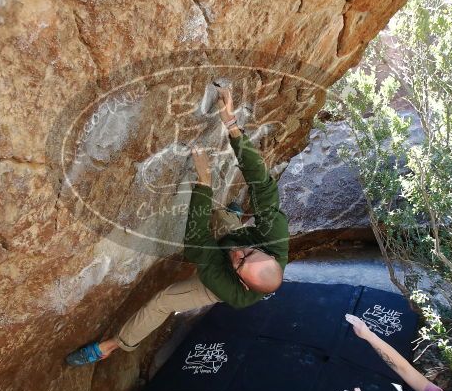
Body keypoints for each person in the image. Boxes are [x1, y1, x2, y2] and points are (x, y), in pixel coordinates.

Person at [66, 86, 289, 365]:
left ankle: (112, 346)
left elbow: (197, 244)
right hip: (239, 236)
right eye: (249, 253)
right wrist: (231, 124)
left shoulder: (231, 290)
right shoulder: (274, 237)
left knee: (164, 301)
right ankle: (230, 218)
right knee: (226, 222)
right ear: (266, 252)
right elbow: (262, 184)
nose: (239, 254)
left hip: (216, 268)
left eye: (240, 262)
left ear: (242, 282)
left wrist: (204, 182)